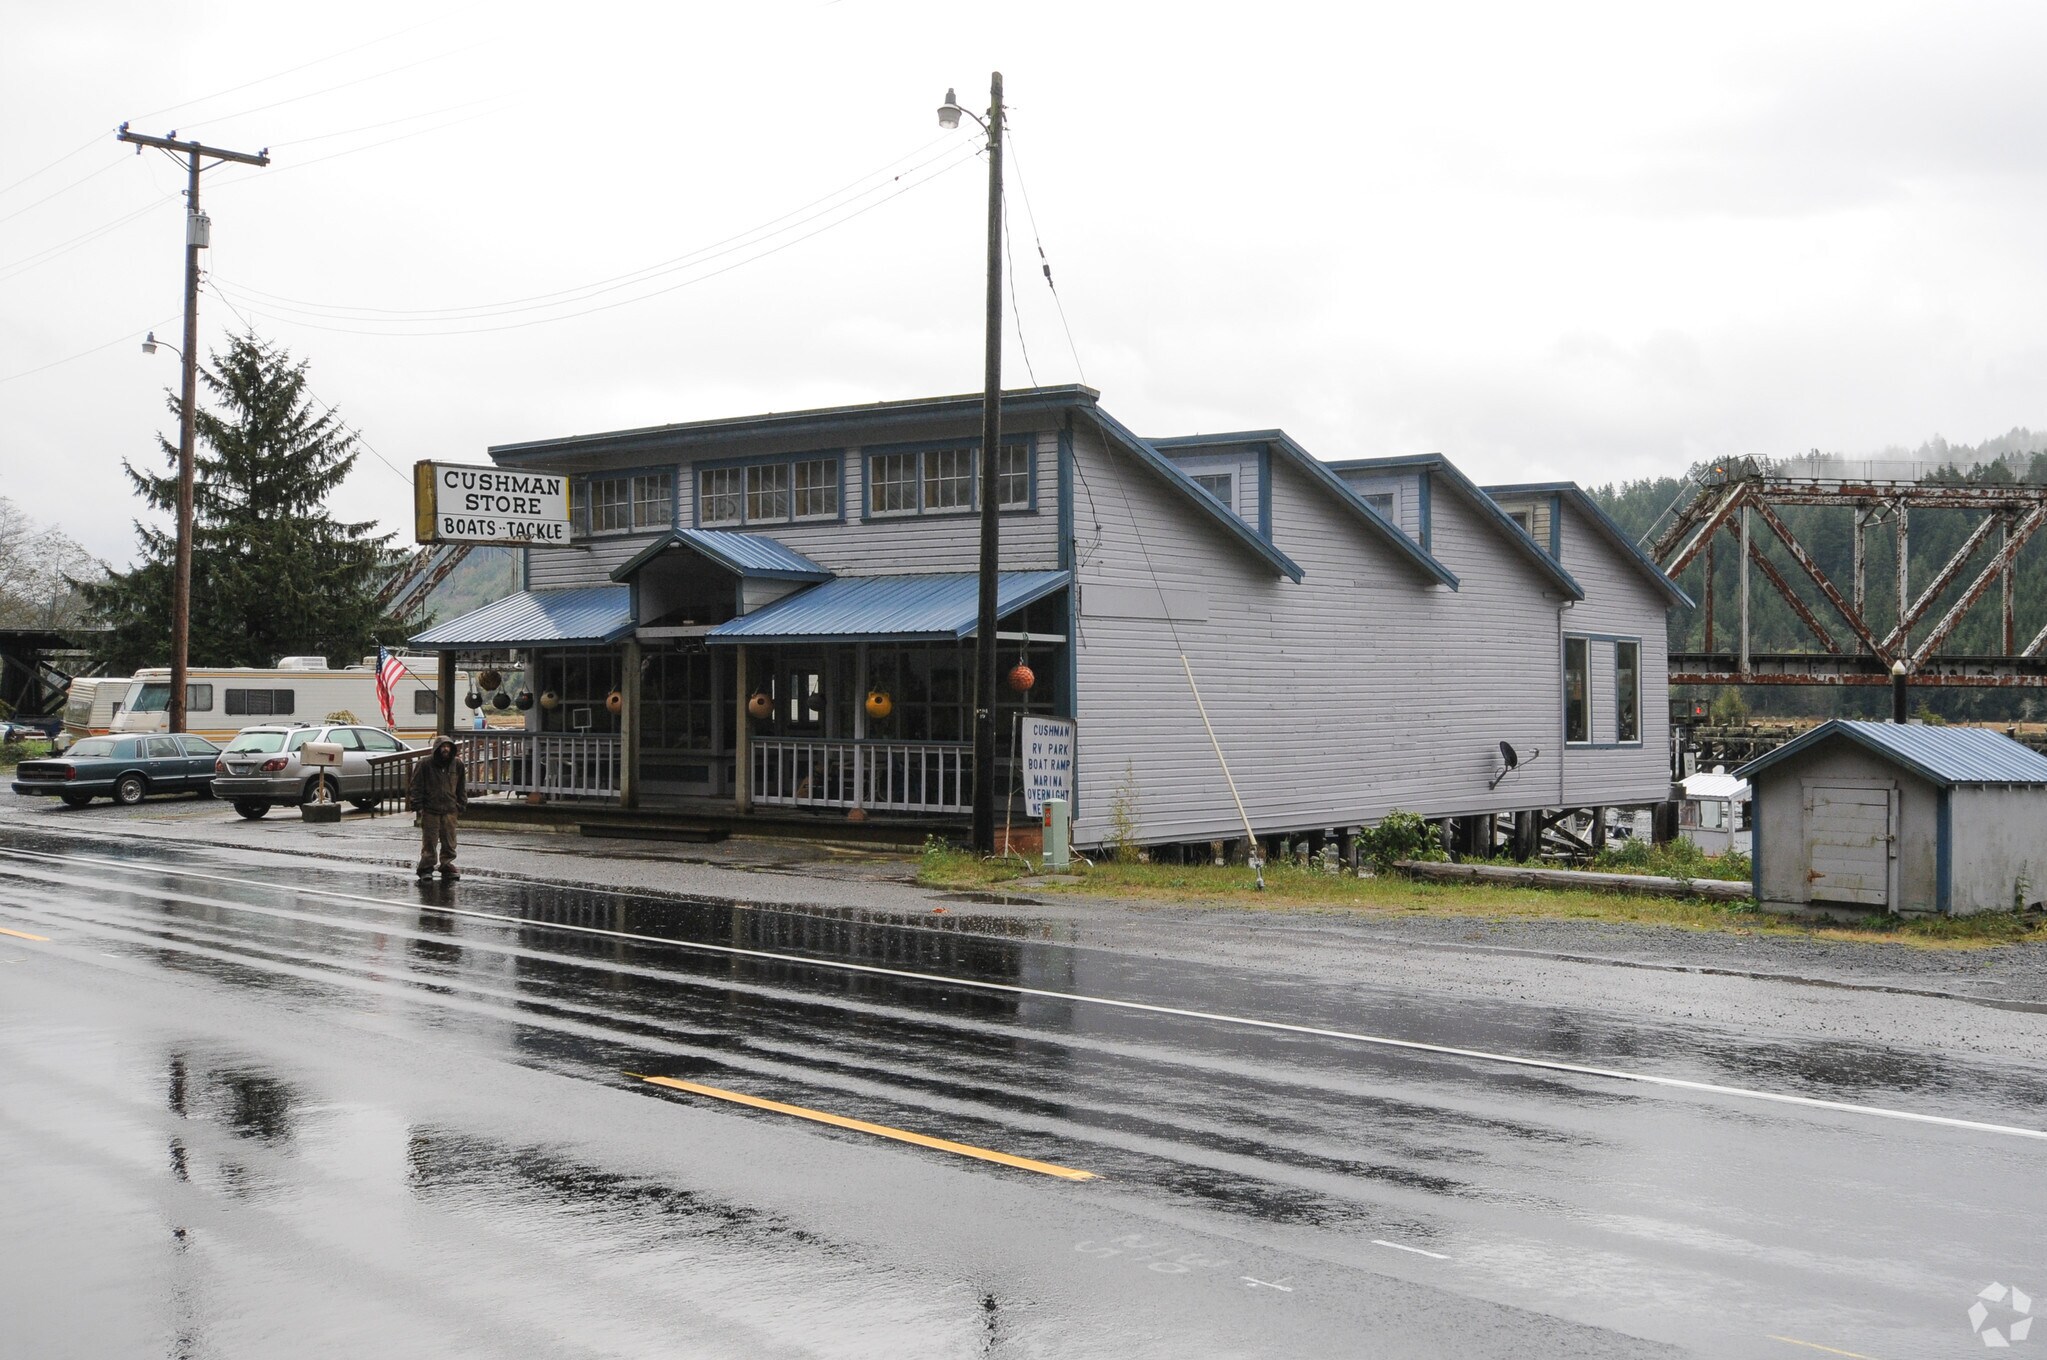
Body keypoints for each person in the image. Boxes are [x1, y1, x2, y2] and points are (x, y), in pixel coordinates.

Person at [409, 736, 467, 880]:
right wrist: (418, 806)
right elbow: (416, 786)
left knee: (449, 841)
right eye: (442, 746)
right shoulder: (424, 764)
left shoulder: (457, 764)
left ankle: (447, 865)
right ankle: (426, 868)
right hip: (430, 809)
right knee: (430, 841)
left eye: (448, 746)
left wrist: (461, 804)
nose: (445, 749)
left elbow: (461, 786)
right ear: (436, 748)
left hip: (450, 809)